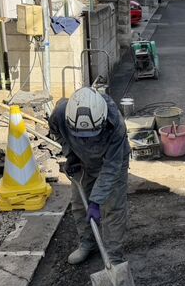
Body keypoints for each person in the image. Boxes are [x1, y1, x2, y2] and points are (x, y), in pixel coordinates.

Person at [49, 87, 130, 265]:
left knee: (113, 208)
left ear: (102, 121)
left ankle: (113, 256)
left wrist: (96, 201)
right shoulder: (59, 114)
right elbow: (57, 133)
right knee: (80, 204)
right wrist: (71, 154)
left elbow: (111, 167)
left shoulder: (115, 122)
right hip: (82, 160)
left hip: (112, 160)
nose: (87, 139)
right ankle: (88, 243)